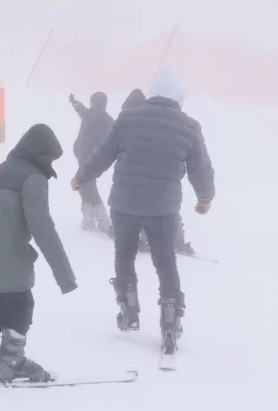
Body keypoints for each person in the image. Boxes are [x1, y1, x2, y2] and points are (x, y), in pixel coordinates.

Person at [72, 68, 215, 359]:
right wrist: (205, 199)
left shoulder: (128, 117)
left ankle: (129, 311)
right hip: (162, 208)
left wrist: (81, 177)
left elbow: (103, 154)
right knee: (165, 262)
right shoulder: (189, 127)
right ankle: (170, 324)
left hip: (125, 203)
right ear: (178, 97)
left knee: (124, 254)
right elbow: (201, 168)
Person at [0, 124, 76, 385]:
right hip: (8, 264)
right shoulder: (32, 178)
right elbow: (43, 228)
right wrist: (65, 276)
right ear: (41, 154)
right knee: (21, 307)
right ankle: (11, 363)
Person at [68, 91, 114, 234]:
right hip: (97, 158)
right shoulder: (109, 120)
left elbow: (83, 112)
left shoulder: (91, 115)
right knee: (83, 184)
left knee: (84, 183)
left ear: (93, 103)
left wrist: (75, 103)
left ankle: (103, 221)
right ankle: (88, 220)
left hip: (85, 156)